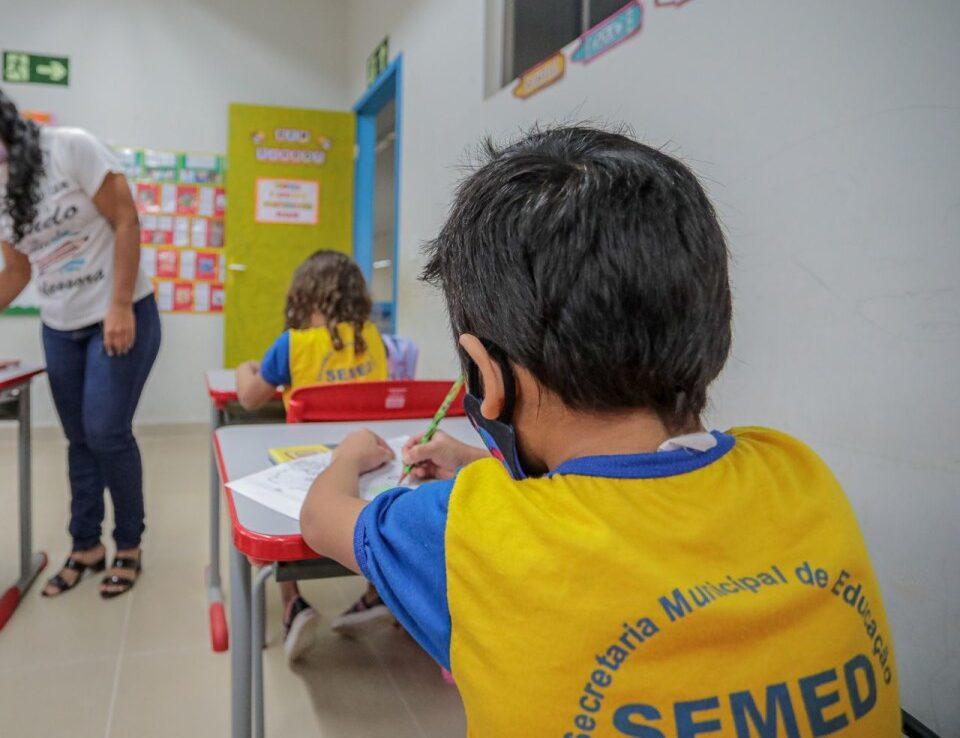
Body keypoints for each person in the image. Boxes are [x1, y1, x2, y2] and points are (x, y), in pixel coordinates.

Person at [300, 126, 901, 735]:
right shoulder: (797, 474)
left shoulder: (466, 530)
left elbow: (321, 517)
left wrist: (350, 454)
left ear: (488, 377)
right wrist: (476, 467)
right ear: (714, 330)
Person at [0, 73, 161, 599]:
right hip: (60, 327)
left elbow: (126, 220)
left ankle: (128, 544)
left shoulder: (70, 148)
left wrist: (120, 304)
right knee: (78, 439)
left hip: (119, 313)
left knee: (106, 432)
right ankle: (85, 545)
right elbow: (16, 272)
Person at [235, 250, 391, 661]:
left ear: (304, 296)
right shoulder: (374, 339)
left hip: (306, 473)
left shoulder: (293, 346)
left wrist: (245, 368)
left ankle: (291, 603)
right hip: (368, 468)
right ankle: (377, 592)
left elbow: (249, 399)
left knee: (261, 488)